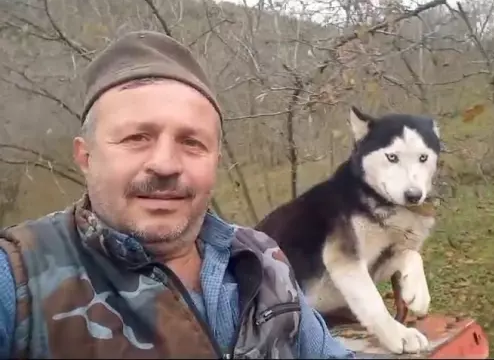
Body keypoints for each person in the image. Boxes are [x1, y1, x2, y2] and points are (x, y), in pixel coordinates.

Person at [0, 30, 355, 359]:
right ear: (85, 156)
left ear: (216, 160)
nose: (166, 164)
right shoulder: (18, 278)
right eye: (136, 138)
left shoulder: (262, 261)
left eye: (191, 142)